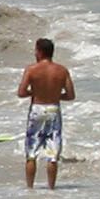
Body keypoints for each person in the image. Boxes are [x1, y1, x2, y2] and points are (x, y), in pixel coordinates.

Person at [17, 38, 74, 190]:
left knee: (31, 152)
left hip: (37, 108)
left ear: (40, 52)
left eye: (36, 50)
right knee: (53, 154)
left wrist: (35, 92)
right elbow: (70, 95)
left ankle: (30, 188)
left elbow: (21, 92)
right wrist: (55, 95)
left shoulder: (31, 70)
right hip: (53, 110)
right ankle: (51, 188)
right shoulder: (62, 70)